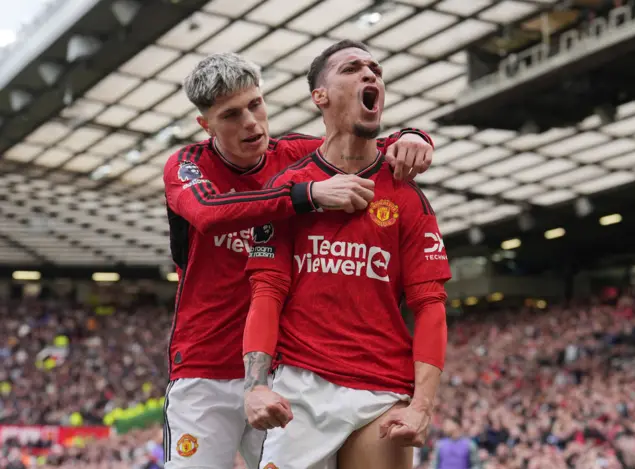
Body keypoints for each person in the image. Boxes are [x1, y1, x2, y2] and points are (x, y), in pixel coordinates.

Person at [162, 51, 437, 469]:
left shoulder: (293, 155)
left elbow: (362, 141)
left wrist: (414, 136)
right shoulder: (188, 166)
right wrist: (308, 196)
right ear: (207, 125)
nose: (251, 122)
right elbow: (209, 213)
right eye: (231, 115)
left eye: (255, 104)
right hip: (206, 368)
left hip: (281, 374)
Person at [242, 39, 451, 469]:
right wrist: (255, 386)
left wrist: (422, 405)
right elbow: (267, 293)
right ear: (320, 96)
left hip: (381, 394)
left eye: (375, 68)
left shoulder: (407, 197)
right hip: (299, 391)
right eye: (353, 68)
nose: (370, 74)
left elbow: (430, 306)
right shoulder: (289, 192)